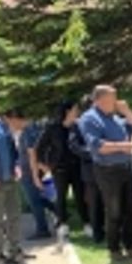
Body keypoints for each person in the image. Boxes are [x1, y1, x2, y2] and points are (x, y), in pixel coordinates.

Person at [78, 85, 132, 261]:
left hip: (125, 167)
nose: (115, 102)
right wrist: (124, 146)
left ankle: (131, 245)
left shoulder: (115, 118)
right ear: (99, 99)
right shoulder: (89, 119)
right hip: (107, 171)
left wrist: (127, 111)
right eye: (112, 99)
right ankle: (114, 248)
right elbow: (97, 146)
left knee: (131, 209)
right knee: (114, 210)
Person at [35, 100, 91, 239]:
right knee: (61, 196)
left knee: (81, 196)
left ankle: (87, 223)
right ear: (67, 111)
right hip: (59, 167)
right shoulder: (53, 128)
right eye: (75, 109)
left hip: (77, 166)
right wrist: (43, 164)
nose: (77, 112)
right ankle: (62, 224)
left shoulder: (78, 126)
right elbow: (40, 147)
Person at [3, 109, 54, 241]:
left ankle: (42, 229)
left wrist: (35, 176)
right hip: (29, 170)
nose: (10, 126)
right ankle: (60, 211)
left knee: (34, 201)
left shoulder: (29, 132)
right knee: (38, 198)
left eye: (9, 122)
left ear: (15, 119)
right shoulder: (32, 129)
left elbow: (33, 155)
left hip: (29, 172)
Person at [69, 97, 105, 244]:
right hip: (90, 169)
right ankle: (97, 232)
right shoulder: (78, 124)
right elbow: (74, 145)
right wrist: (93, 152)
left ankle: (112, 228)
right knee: (95, 201)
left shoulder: (105, 122)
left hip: (109, 167)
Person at [0, 102, 24, 264]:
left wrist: (17, 165)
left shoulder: (1, 123)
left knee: (15, 215)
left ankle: (15, 249)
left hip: (10, 179)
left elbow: (13, 149)